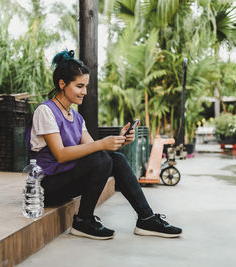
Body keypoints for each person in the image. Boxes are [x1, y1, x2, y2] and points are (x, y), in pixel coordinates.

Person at [26, 50, 182, 240]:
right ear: (62, 84)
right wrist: (102, 144)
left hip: (66, 180)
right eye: (79, 86)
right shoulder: (46, 111)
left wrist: (120, 141)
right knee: (102, 157)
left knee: (114, 158)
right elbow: (61, 154)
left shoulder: (76, 116)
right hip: (47, 187)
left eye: (86, 86)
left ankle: (146, 218)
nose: (85, 91)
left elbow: (94, 152)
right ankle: (83, 221)